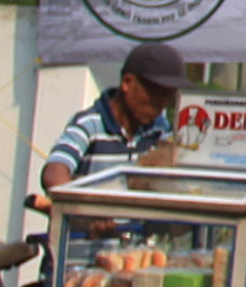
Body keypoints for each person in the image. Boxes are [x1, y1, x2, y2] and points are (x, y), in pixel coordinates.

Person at [43, 39, 190, 193]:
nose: (162, 104)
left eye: (169, 97)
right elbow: (53, 175)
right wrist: (86, 214)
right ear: (127, 82)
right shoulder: (89, 125)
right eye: (155, 94)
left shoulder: (160, 130)